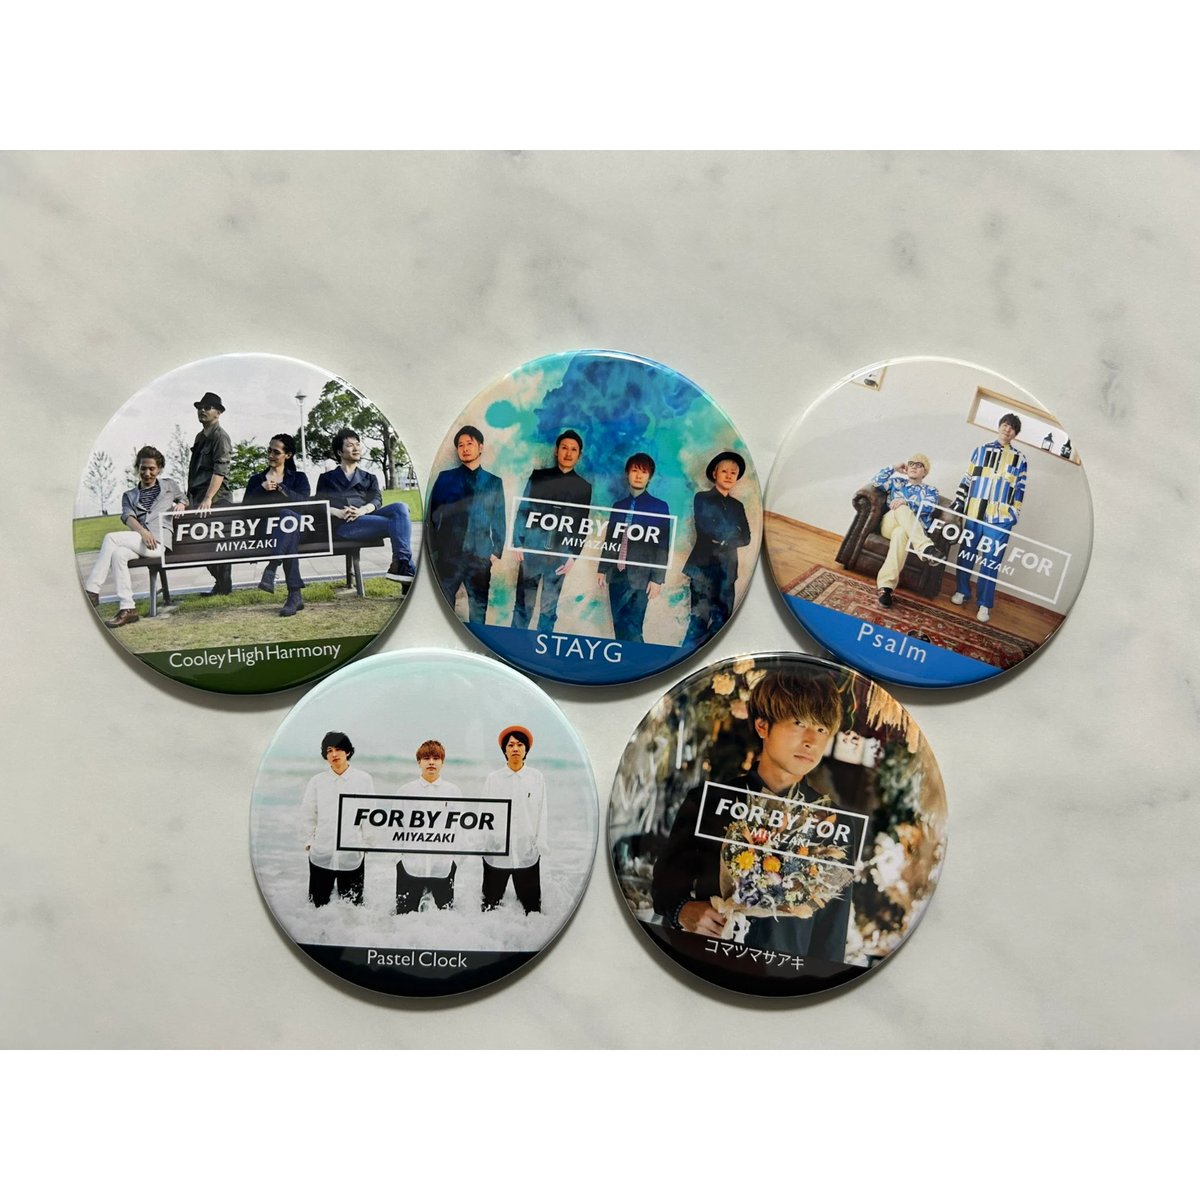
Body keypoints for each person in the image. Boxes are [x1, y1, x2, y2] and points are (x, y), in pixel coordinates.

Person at [651, 667, 852, 961]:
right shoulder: (710, 800)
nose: (812, 740)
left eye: (822, 729)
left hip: (784, 975)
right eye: (799, 723)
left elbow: (831, 935)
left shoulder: (833, 823)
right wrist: (683, 910)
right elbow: (664, 886)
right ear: (762, 726)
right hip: (706, 962)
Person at [85, 446, 186, 628]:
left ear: (159, 469)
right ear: (137, 468)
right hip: (141, 541)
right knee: (118, 555)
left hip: (158, 543)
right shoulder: (129, 496)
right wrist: (143, 532)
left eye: (152, 469)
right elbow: (128, 517)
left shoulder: (169, 486)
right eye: (143, 468)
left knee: (110, 538)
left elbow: (183, 498)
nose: (147, 473)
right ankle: (128, 607)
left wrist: (181, 504)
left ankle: (92, 590)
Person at [511, 429, 592, 633]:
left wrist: (573, 555)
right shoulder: (539, 477)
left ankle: (541, 648)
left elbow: (582, 524)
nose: (568, 453)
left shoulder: (584, 487)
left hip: (559, 557)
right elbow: (524, 509)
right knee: (522, 607)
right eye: (564, 448)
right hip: (532, 551)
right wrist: (518, 543)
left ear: (579, 455)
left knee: (549, 611)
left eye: (573, 449)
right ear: (556, 451)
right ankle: (514, 645)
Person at [951, 412, 1029, 623]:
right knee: (967, 553)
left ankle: (984, 603)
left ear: (1015, 434)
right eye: (1005, 425)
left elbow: (1020, 488)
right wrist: (959, 501)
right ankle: (962, 591)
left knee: (992, 560)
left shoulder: (1020, 459)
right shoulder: (981, 450)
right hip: (975, 511)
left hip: (1001, 517)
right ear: (999, 426)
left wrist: (1013, 514)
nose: (1007, 429)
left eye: (1012, 428)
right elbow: (968, 477)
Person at [315, 427, 416, 582]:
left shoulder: (369, 477)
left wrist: (362, 510)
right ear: (340, 452)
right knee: (399, 524)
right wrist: (338, 512)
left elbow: (377, 500)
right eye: (350, 445)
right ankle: (403, 567)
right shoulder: (327, 478)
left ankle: (401, 564)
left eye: (357, 444)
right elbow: (319, 504)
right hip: (344, 524)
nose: (356, 448)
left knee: (401, 507)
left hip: (366, 517)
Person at [427, 424, 506, 623]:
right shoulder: (445, 478)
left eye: (469, 443)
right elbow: (432, 515)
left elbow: (499, 518)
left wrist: (495, 551)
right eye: (460, 445)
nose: (464, 448)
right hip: (448, 556)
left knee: (479, 611)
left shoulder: (494, 482)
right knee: (443, 609)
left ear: (480, 447)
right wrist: (435, 550)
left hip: (480, 556)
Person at [596, 452, 671, 642]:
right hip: (617, 575)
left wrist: (657, 579)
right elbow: (611, 540)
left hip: (641, 577)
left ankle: (636, 660)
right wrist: (602, 569)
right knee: (618, 626)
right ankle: (623, 660)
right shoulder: (618, 506)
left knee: (634, 628)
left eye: (644, 472)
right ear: (627, 473)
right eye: (635, 470)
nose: (638, 476)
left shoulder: (660, 507)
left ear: (649, 477)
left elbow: (663, 546)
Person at [681, 451, 752, 649]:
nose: (729, 476)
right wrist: (731, 535)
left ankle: (709, 656)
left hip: (727, 571)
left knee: (722, 620)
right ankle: (685, 655)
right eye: (724, 471)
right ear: (715, 473)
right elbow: (705, 528)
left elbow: (746, 537)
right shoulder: (702, 498)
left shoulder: (737, 506)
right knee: (699, 619)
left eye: (733, 473)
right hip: (702, 569)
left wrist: (723, 538)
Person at [302, 731, 374, 907]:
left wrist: (366, 844)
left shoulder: (363, 779)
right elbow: (309, 813)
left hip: (351, 856)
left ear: (347, 751)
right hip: (321, 853)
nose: (334, 754)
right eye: (329, 750)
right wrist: (310, 841)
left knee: (353, 909)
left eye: (339, 749)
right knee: (316, 907)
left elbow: (369, 813)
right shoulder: (317, 781)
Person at [243, 433, 311, 617]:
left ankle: (272, 567)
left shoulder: (298, 478)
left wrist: (283, 489)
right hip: (266, 532)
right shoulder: (257, 480)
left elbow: (304, 505)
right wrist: (261, 489)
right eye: (269, 451)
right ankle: (295, 595)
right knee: (289, 535)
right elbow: (245, 510)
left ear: (288, 455)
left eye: (276, 452)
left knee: (288, 519)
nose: (271, 455)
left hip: (296, 529)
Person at [482, 726, 547, 915]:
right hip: (497, 852)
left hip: (526, 852)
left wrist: (540, 843)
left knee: (532, 910)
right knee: (489, 908)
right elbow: (485, 813)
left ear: (526, 749)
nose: (515, 748)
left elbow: (542, 812)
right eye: (510, 745)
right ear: (505, 750)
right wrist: (483, 843)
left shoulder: (536, 778)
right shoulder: (493, 778)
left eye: (520, 745)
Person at [394, 740, 462, 913]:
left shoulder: (453, 792)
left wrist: (455, 861)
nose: (431, 762)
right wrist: (398, 861)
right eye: (426, 758)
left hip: (443, 867)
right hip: (410, 867)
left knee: (444, 919)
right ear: (419, 762)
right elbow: (395, 828)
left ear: (442, 762)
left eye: (436, 758)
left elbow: (460, 830)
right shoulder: (405, 791)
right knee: (403, 918)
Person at [869, 453, 940, 609]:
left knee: (901, 533)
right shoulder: (896, 482)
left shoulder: (931, 491)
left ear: (925, 472)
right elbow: (875, 481)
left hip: (907, 531)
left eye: (919, 465)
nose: (914, 466)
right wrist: (894, 467)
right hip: (889, 523)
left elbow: (929, 508)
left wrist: (906, 501)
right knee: (900, 508)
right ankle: (925, 548)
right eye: (911, 463)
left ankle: (886, 588)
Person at [187, 391, 234, 596]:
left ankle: (224, 586)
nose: (202, 410)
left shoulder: (220, 437)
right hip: (198, 498)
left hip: (217, 499)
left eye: (207, 407)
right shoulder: (200, 437)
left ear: (218, 412)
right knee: (200, 545)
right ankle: (221, 584)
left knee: (217, 544)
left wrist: (208, 499)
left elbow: (220, 470)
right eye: (200, 407)